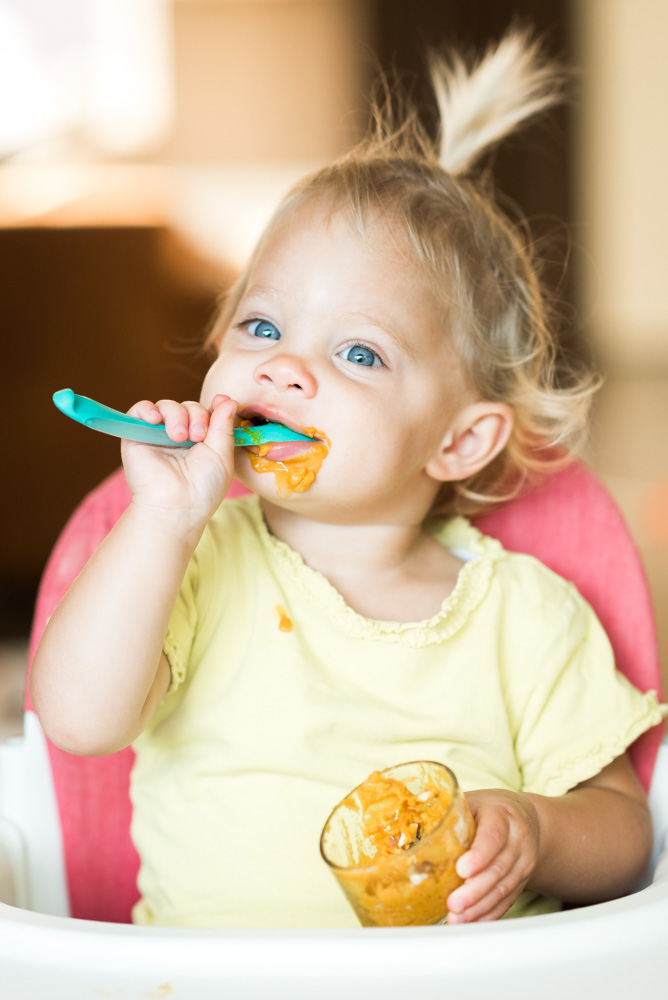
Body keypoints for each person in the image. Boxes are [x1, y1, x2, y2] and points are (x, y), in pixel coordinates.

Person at [31, 30, 664, 928]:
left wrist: (537, 828)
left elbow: (629, 836)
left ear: (458, 441)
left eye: (358, 351)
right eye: (260, 327)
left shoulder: (526, 614)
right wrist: (162, 523)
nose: (285, 367)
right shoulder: (195, 562)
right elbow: (76, 720)